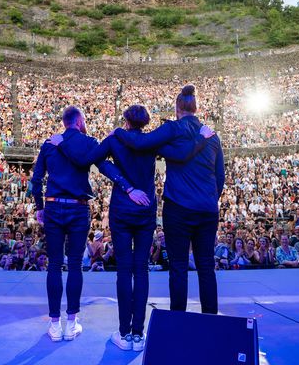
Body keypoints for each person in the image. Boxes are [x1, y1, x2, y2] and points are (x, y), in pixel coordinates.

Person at [48, 103, 211, 350]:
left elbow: (85, 160)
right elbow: (180, 155)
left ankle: (124, 334)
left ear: (125, 121)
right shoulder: (152, 142)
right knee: (141, 270)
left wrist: (62, 142)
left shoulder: (115, 140)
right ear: (145, 122)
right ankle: (138, 334)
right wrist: (200, 139)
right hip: (146, 209)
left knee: (124, 270)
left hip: (122, 210)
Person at [32, 105, 147, 343]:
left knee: (54, 265)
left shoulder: (49, 143)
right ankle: (71, 323)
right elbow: (102, 164)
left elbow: (36, 179)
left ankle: (55, 325)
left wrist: (39, 207)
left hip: (53, 205)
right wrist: (128, 186)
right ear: (79, 121)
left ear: (64, 122)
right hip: (77, 207)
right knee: (74, 264)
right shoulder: (89, 142)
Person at [111, 85, 225, 315]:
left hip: (178, 208)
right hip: (207, 209)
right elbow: (220, 176)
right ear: (196, 108)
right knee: (206, 266)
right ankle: (211, 320)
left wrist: (118, 132)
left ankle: (177, 321)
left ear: (177, 108)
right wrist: (211, 198)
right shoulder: (212, 136)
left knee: (178, 267)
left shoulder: (171, 129)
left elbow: (140, 143)